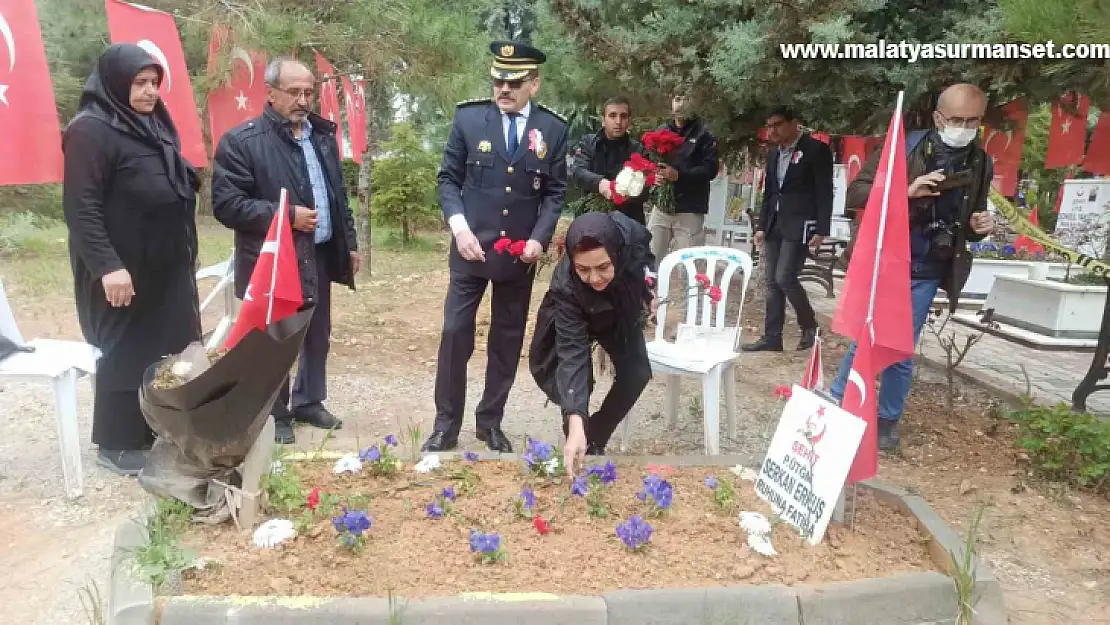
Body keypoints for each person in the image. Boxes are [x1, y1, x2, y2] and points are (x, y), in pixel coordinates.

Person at [830, 83, 995, 452]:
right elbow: (856, 193)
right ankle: (838, 400)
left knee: (900, 347)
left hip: (927, 267)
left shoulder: (981, 161)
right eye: (956, 120)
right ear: (938, 118)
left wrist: (978, 227)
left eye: (973, 121)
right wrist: (905, 189)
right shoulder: (903, 147)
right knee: (867, 335)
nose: (964, 127)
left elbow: (969, 224)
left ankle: (887, 419)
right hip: (885, 260)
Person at [61, 44, 202, 475]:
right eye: (139, 83)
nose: (150, 91)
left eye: (155, 83)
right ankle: (118, 443)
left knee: (173, 345)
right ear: (115, 84)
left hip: (167, 261)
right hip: (122, 267)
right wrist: (107, 266)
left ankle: (160, 427)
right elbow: (80, 207)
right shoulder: (89, 130)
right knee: (126, 349)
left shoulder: (154, 123)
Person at [422, 40, 568, 453]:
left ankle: (490, 423)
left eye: (514, 82)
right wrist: (458, 227)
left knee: (506, 340)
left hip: (518, 256)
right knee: (455, 334)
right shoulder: (469, 120)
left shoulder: (553, 129)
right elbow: (448, 179)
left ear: (533, 85)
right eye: (498, 81)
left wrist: (539, 239)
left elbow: (555, 193)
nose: (504, 89)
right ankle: (445, 426)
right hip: (470, 249)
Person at [212, 57, 361, 445]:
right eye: (293, 92)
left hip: (322, 253)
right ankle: (274, 412)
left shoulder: (321, 136)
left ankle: (309, 401)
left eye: (308, 92)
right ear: (272, 93)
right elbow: (227, 205)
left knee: (316, 334)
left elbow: (336, 196)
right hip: (273, 261)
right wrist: (286, 215)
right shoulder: (242, 142)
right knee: (274, 337)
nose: (302, 100)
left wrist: (351, 243)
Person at [529, 212, 656, 472]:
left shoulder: (632, 235)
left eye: (603, 267)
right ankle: (576, 436)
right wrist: (576, 422)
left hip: (619, 307)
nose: (595, 278)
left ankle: (595, 436)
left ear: (617, 253)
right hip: (576, 311)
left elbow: (646, 261)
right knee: (573, 380)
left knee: (637, 372)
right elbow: (571, 356)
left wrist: (648, 290)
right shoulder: (566, 287)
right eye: (583, 269)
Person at [743, 106, 833, 353]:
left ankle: (810, 326)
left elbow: (824, 191)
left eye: (778, 124)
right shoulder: (773, 154)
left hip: (800, 223)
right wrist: (761, 226)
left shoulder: (816, 150)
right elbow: (769, 193)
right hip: (775, 225)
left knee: (785, 277)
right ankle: (773, 337)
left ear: (794, 123)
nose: (772, 130)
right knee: (772, 282)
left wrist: (822, 228)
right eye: (769, 126)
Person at [646, 89, 719, 262]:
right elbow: (649, 163)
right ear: (671, 101)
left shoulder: (705, 133)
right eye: (677, 98)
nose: (681, 104)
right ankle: (651, 290)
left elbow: (710, 169)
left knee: (688, 268)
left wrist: (679, 176)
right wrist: (653, 177)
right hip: (661, 210)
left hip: (690, 210)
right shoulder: (662, 130)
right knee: (650, 261)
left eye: (686, 98)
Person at [568, 97, 649, 224]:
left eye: (623, 116)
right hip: (591, 218)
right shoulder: (588, 143)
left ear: (629, 121)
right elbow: (578, 171)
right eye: (612, 116)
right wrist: (599, 183)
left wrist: (628, 193)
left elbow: (646, 190)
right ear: (603, 120)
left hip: (628, 222)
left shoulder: (638, 149)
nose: (618, 121)